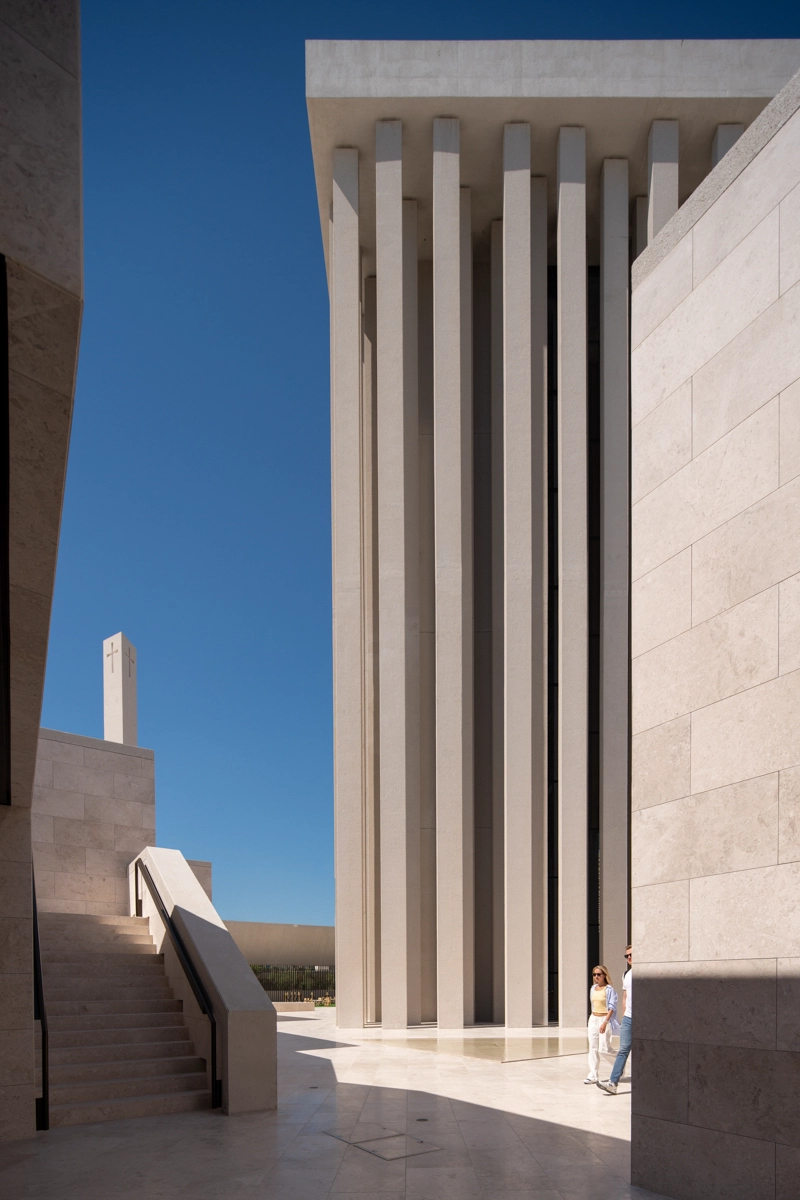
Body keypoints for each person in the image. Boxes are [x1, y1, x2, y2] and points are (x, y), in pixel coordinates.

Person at [598, 947, 632, 1094]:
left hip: (645, 1019)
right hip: (629, 1018)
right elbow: (625, 996)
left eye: (631, 955)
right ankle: (613, 1082)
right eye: (626, 956)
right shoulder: (626, 974)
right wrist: (624, 1014)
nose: (629, 958)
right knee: (623, 1050)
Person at [584, 965, 619, 1085]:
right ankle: (593, 1075)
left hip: (605, 1019)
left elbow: (612, 1007)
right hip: (593, 1018)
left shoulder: (609, 989)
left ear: (605, 975)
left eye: (599, 974)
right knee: (593, 1048)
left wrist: (605, 1022)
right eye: (594, 975)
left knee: (604, 1049)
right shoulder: (593, 988)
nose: (596, 977)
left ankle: (620, 1063)